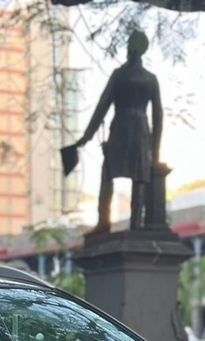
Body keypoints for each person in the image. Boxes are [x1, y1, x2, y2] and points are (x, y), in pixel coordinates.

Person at [64, 28, 162, 235]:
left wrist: (86, 137)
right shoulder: (143, 78)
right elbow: (104, 106)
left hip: (127, 127)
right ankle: (116, 222)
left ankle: (117, 223)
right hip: (132, 128)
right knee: (123, 175)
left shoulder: (127, 76)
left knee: (122, 175)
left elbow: (104, 106)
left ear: (132, 49)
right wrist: (87, 136)